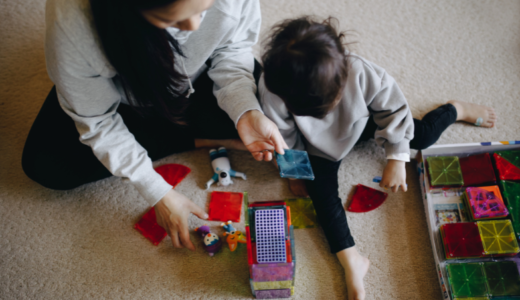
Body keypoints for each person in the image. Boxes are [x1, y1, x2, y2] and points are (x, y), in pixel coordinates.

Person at [259, 16, 496, 300]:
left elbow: (395, 112)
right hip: (318, 146)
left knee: (422, 137)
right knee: (321, 195)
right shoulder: (274, 88)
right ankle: (352, 262)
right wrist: (295, 172)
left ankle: (454, 110)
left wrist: (397, 158)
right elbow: (283, 136)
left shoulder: (360, 71)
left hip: (365, 120)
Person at [22, 0, 287, 252]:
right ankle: (198, 139)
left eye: (204, 8)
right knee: (46, 165)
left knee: (280, 107)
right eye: (171, 19)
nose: (194, 26)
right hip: (125, 98)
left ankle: (192, 135)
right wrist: (157, 191)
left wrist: (245, 112)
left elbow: (232, 50)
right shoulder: (72, 24)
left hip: (197, 81)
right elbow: (97, 119)